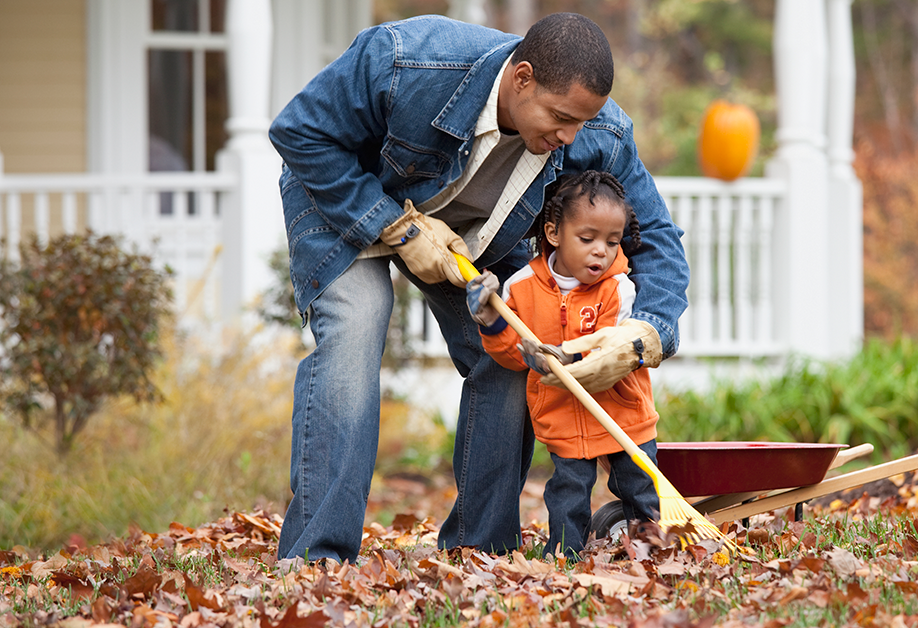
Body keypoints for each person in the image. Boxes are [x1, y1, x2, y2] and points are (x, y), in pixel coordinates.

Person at [268, 12, 688, 562]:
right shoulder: (404, 59)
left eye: (580, 123)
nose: (569, 138)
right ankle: (316, 557)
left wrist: (645, 334)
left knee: (516, 354)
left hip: (474, 239)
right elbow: (299, 130)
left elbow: (655, 234)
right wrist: (392, 224)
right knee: (357, 324)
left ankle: (478, 549)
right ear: (522, 78)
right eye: (560, 117)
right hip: (344, 198)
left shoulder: (599, 132)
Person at [465, 171, 659, 559]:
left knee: (640, 486)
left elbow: (606, 347)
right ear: (553, 233)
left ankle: (652, 550)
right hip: (563, 418)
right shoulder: (520, 288)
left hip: (622, 413)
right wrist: (491, 320)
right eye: (587, 239)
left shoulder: (617, 288)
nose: (600, 251)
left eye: (612, 241)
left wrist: (566, 356)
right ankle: (564, 555)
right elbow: (511, 355)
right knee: (568, 492)